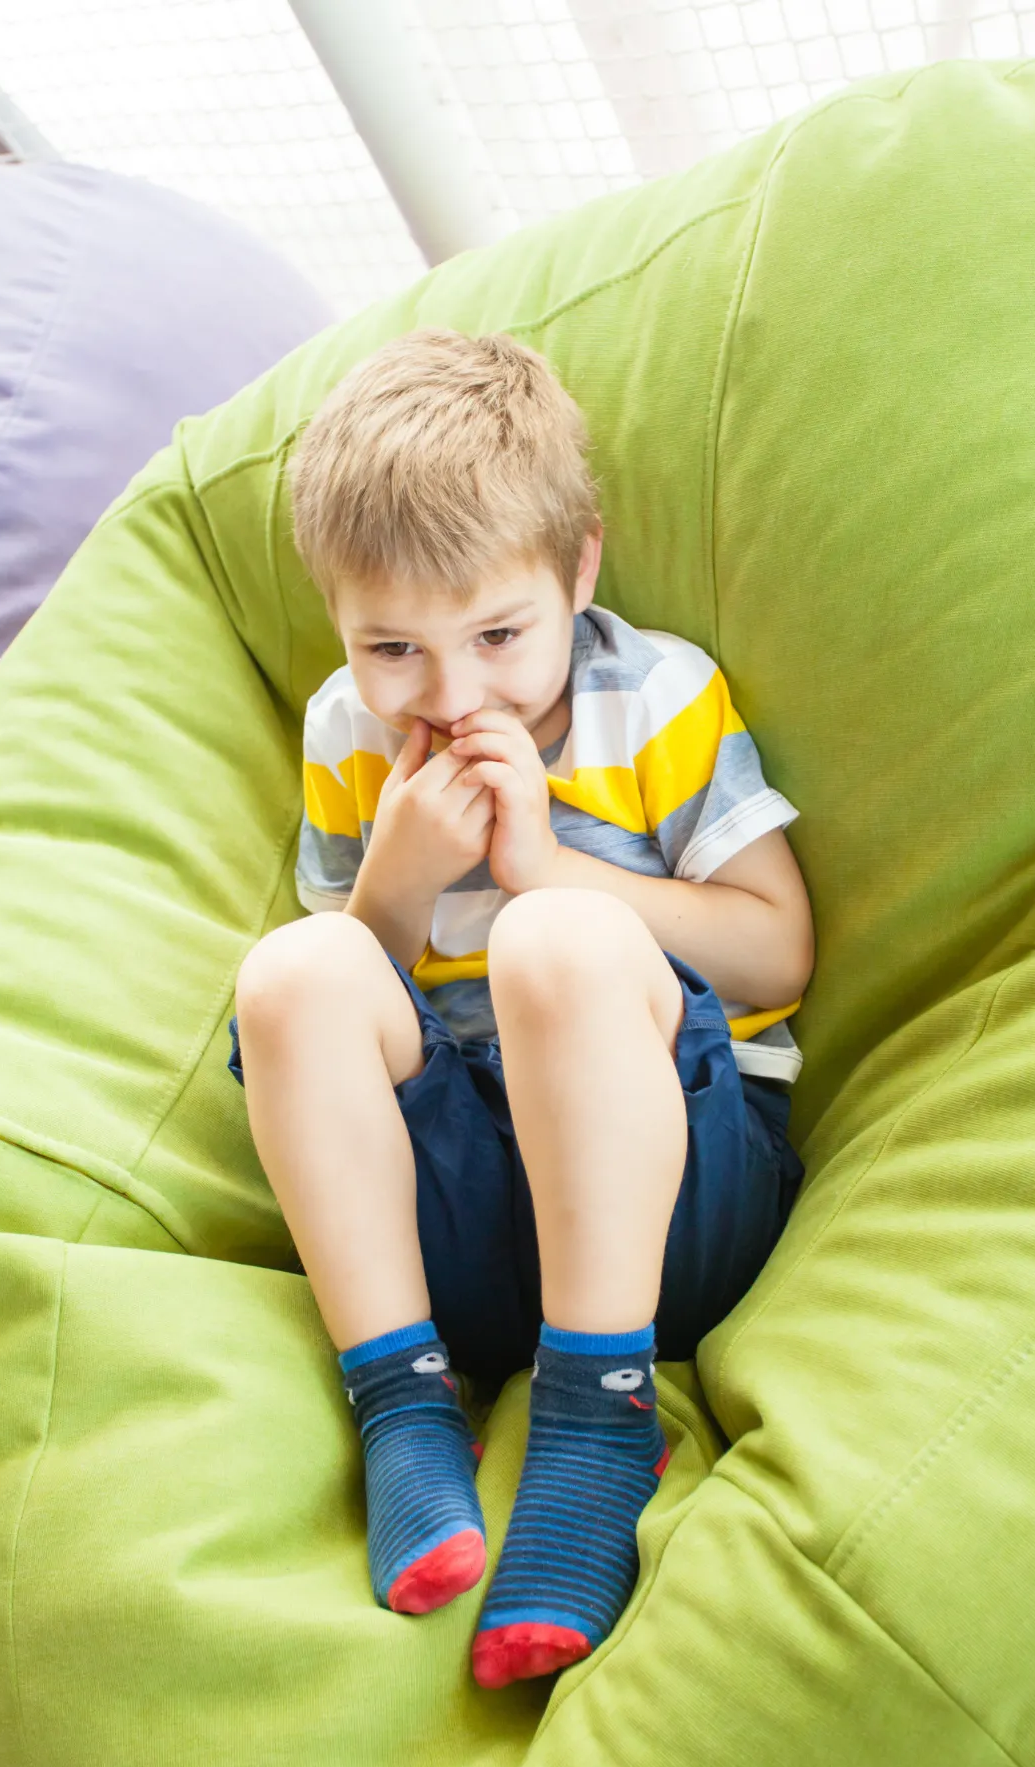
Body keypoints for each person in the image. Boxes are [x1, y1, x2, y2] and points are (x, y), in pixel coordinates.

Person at [226, 327, 814, 1690]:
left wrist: (547, 869)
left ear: (577, 570)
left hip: (667, 1209)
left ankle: (598, 1424)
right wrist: (395, 878)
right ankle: (402, 1404)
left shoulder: (649, 697)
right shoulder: (344, 736)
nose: (448, 696)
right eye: (390, 649)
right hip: (464, 1242)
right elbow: (349, 1013)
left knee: (551, 939)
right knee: (291, 972)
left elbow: (775, 952)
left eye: (497, 635)